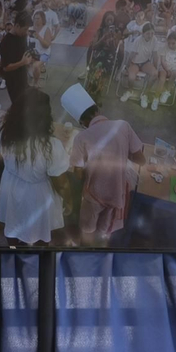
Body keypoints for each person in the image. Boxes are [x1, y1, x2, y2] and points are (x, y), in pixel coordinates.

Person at [63, 84, 146, 245]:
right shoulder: (123, 125)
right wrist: (121, 152)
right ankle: (101, 250)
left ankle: (86, 251)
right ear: (97, 110)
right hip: (117, 192)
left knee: (87, 229)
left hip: (93, 195)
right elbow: (141, 160)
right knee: (105, 232)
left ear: (82, 122)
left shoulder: (81, 137)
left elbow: (78, 174)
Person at [0, 90, 70, 245]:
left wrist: (14, 164)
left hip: (10, 184)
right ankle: (38, 254)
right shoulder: (51, 145)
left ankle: (13, 250)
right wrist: (69, 201)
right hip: (37, 193)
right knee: (39, 230)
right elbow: (61, 183)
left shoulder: (2, 133)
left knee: (12, 224)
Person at [0, 12, 37, 105]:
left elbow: (24, 52)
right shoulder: (6, 42)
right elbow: (6, 67)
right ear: (17, 26)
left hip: (23, 77)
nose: (26, 32)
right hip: (13, 82)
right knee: (18, 105)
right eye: (25, 29)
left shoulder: (22, 36)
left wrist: (30, 59)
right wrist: (22, 63)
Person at [121, 28, 161, 108]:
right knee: (131, 76)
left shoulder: (154, 40)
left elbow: (155, 55)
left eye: (152, 33)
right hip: (135, 62)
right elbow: (132, 54)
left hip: (145, 62)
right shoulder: (138, 40)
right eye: (148, 33)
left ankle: (145, 94)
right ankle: (130, 91)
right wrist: (127, 66)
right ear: (143, 33)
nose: (150, 35)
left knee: (155, 74)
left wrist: (155, 67)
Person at [153, 31, 176, 110]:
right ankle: (156, 98)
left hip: (174, 68)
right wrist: (167, 69)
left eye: (173, 43)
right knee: (162, 79)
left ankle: (167, 92)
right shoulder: (164, 48)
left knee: (175, 73)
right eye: (169, 43)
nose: (170, 45)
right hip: (164, 67)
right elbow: (162, 61)